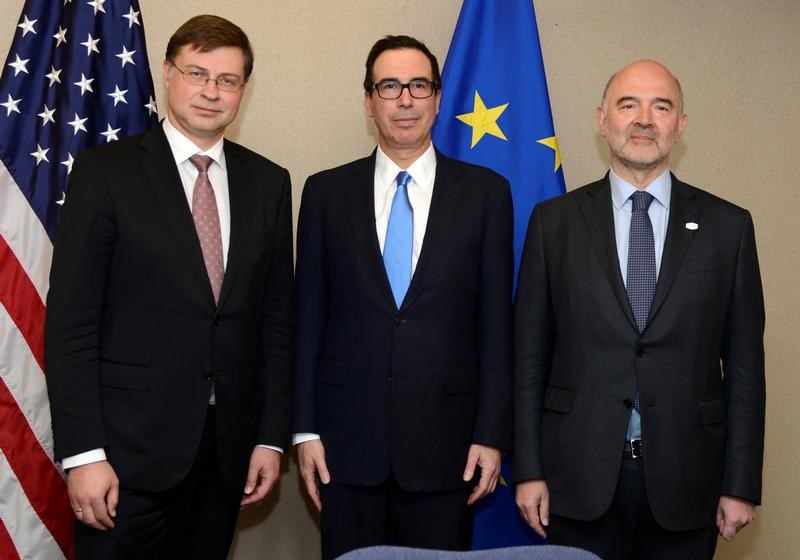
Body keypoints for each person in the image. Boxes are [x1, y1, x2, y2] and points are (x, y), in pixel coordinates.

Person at [44, 15, 293, 559]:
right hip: (122, 458)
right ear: (167, 73)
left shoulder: (269, 183)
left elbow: (274, 325)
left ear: (243, 90)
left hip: (224, 455)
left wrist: (270, 438)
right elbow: (71, 324)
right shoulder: (105, 173)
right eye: (197, 73)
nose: (211, 91)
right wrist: (84, 453)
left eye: (227, 80)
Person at [513, 59, 765, 559]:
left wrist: (741, 482)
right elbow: (529, 358)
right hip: (576, 480)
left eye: (661, 106)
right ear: (603, 120)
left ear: (680, 125)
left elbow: (744, 368)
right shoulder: (553, 223)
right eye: (629, 105)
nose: (644, 119)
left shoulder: (727, 227)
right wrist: (528, 469)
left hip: (687, 481)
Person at [292, 35, 513, 560]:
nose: (405, 99)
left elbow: (497, 328)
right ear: (369, 101)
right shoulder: (325, 193)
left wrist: (491, 432)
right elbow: (306, 322)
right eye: (389, 86)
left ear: (438, 97)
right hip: (344, 451)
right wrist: (304, 430)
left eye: (418, 85)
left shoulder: (486, 194)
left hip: (449, 450)